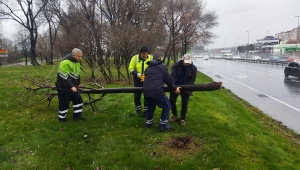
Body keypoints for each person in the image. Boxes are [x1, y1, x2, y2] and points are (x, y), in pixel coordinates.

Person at [143, 52, 180, 132]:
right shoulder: (162, 66)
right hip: (156, 91)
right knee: (167, 106)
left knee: (150, 107)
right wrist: (175, 89)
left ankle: (148, 124)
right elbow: (168, 79)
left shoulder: (148, 67)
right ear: (160, 58)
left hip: (146, 90)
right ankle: (163, 125)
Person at [55, 48, 86, 122]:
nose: (80, 58)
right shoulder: (65, 63)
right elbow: (62, 77)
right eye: (79, 56)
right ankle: (61, 118)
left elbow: (77, 74)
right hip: (63, 86)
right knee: (64, 102)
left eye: (81, 56)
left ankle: (77, 116)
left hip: (72, 86)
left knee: (78, 100)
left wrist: (77, 84)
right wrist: (71, 86)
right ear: (73, 55)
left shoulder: (77, 62)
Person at [169, 54, 197, 126]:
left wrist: (186, 87)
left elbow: (192, 80)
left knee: (184, 103)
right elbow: (173, 77)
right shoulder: (176, 65)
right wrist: (174, 87)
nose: (187, 64)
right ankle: (175, 115)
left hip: (186, 87)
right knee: (171, 101)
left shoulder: (193, 68)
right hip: (175, 86)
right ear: (182, 60)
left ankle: (182, 119)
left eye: (188, 62)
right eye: (186, 62)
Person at [128, 46, 153, 116]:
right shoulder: (135, 58)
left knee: (147, 97)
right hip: (137, 80)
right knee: (137, 97)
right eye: (143, 54)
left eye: (146, 54)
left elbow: (154, 68)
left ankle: (146, 111)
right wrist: (136, 74)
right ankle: (138, 111)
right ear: (140, 53)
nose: (145, 55)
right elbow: (130, 68)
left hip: (147, 80)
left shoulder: (151, 58)